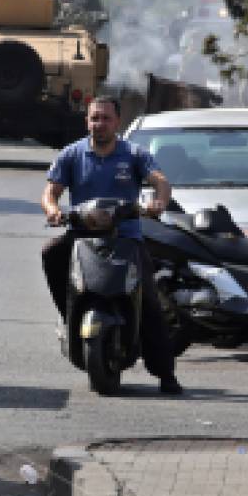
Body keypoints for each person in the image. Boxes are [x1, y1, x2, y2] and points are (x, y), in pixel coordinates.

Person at [41, 96, 181, 394]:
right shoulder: (72, 154)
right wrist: (53, 210)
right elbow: (50, 192)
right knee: (51, 253)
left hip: (126, 237)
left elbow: (160, 181)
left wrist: (159, 202)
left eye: (105, 118)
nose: (99, 124)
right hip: (82, 235)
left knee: (150, 303)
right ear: (86, 122)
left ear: (117, 122)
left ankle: (166, 373)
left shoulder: (134, 154)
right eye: (94, 118)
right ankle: (69, 312)